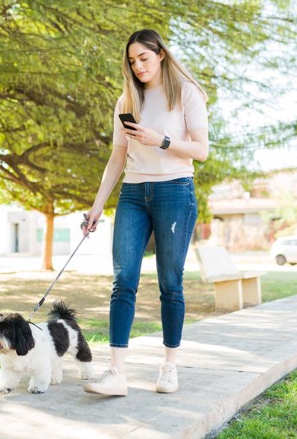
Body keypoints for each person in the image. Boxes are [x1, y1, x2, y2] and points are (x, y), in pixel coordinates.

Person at [81, 29, 209, 396]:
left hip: (174, 191)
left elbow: (201, 150)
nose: (138, 66)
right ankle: (116, 374)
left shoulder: (186, 93)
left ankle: (169, 366)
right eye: (132, 60)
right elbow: (117, 158)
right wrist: (95, 207)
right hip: (133, 194)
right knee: (123, 281)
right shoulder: (126, 99)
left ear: (161, 55)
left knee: (170, 283)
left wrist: (162, 140)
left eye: (144, 59)